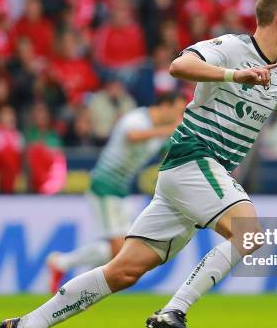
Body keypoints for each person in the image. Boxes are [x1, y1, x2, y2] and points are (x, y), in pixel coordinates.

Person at [0, 0, 277, 328]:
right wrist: (236, 75)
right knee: (249, 233)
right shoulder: (233, 48)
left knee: (124, 270)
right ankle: (175, 310)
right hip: (194, 159)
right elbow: (179, 66)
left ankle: (24, 327)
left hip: (190, 176)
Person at [45, 92, 186, 293]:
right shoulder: (137, 118)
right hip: (104, 186)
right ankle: (66, 267)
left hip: (121, 191)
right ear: (165, 106)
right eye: (178, 110)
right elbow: (132, 136)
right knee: (120, 251)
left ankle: (63, 265)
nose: (179, 116)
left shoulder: (160, 132)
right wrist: (167, 130)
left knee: (122, 251)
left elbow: (170, 149)